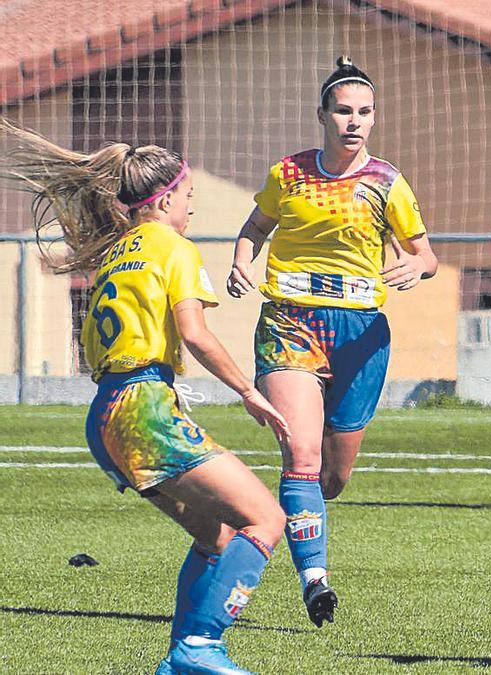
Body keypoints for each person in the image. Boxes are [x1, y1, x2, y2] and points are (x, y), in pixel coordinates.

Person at [0, 120, 290, 674]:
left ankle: (182, 660)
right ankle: (200, 647)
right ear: (162, 201)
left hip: (106, 414)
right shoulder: (171, 247)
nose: (191, 208)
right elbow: (195, 333)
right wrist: (250, 392)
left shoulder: (116, 252)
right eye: (187, 196)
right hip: (142, 410)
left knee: (216, 534)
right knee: (265, 519)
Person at [226, 57, 437, 624]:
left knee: (333, 476)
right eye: (343, 110)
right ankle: (315, 580)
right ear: (322, 114)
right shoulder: (287, 174)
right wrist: (242, 263)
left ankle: (299, 509)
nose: (354, 121)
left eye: (365, 112)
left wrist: (416, 269)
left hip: (360, 335)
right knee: (301, 454)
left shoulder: (387, 182)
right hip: (290, 323)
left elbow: (426, 255)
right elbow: (253, 230)